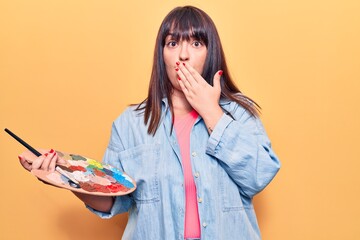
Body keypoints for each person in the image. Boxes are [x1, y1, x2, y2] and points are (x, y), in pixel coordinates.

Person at [19, 5, 280, 240]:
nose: (184, 55)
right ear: (162, 54)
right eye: (173, 43)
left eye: (197, 44)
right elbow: (113, 201)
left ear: (211, 52)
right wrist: (63, 176)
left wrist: (211, 111)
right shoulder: (130, 124)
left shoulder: (240, 114)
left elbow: (259, 176)